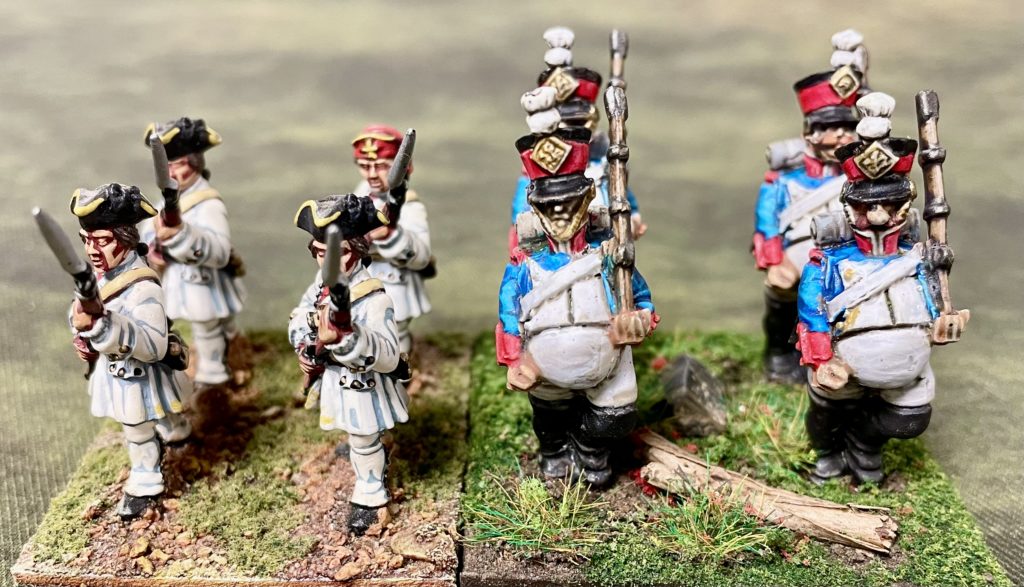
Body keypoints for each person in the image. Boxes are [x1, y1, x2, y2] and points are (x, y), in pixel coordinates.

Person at [796, 93, 963, 484]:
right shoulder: (828, 263)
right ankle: (829, 454)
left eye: (889, 205)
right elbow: (812, 311)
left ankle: (864, 442)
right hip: (844, 365)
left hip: (908, 369)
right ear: (849, 208)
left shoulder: (919, 259)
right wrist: (822, 359)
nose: (876, 216)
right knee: (828, 414)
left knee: (909, 420)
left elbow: (933, 300)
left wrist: (942, 313)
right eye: (865, 207)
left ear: (904, 205)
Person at [497, 116, 656, 487]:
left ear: (587, 200)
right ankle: (555, 451)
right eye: (550, 206)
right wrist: (513, 359)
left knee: (615, 417)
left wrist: (640, 319)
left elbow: (642, 298)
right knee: (550, 419)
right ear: (536, 209)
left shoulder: (610, 258)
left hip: (608, 363)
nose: (560, 213)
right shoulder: (526, 265)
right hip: (544, 367)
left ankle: (589, 449)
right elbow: (508, 315)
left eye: (569, 203)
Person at [752, 30, 870, 384]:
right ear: (811, 133)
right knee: (782, 294)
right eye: (831, 127)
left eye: (847, 127)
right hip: (797, 257)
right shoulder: (785, 180)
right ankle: (778, 352)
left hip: (846, 259)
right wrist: (774, 260)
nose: (841, 135)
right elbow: (767, 222)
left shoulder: (861, 178)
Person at [289, 193, 410, 534]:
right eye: (320, 253)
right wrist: (305, 342)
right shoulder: (320, 286)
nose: (327, 262)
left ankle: (371, 495)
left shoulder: (374, 298)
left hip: (363, 383)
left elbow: (388, 355)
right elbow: (299, 316)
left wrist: (347, 338)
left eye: (337, 253)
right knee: (354, 433)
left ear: (356, 250)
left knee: (364, 437)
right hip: (335, 379)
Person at [69, 183, 192, 519]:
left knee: (138, 428)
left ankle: (146, 482)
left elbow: (153, 346)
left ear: (124, 239)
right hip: (116, 371)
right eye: (86, 240)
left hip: (138, 373)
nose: (92, 250)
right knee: (156, 413)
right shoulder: (99, 276)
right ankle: (177, 431)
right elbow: (79, 311)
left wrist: (102, 327)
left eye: (102, 241)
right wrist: (80, 325)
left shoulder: (142, 287)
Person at [141, 117, 248, 390]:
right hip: (178, 276)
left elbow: (219, 251)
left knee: (208, 326)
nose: (171, 172)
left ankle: (214, 375)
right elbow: (150, 232)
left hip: (204, 278)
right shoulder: (169, 198)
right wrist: (153, 244)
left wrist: (181, 234)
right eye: (166, 166)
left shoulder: (208, 203)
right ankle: (231, 354)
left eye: (177, 165)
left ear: (194, 163)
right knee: (211, 324)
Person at [350, 125, 432, 355]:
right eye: (365, 166)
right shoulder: (361, 193)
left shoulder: (410, 205)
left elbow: (421, 256)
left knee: (394, 331)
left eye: (382, 166)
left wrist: (390, 235)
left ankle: (399, 369)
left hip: (394, 280)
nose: (372, 175)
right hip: (360, 275)